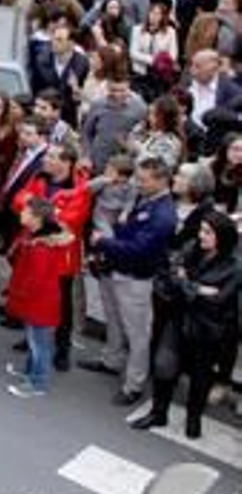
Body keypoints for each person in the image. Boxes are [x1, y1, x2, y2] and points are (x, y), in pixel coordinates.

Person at [133, 210, 239, 438]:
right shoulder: (192, 248)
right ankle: (158, 413)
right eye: (201, 230)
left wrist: (186, 283)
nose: (201, 236)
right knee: (163, 365)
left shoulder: (235, 267)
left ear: (222, 236)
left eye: (207, 232)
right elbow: (172, 276)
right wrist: (197, 288)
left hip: (208, 330)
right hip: (179, 319)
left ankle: (193, 418)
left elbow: (218, 301)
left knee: (200, 379)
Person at [82, 157, 178, 405]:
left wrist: (103, 242)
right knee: (113, 319)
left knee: (138, 334)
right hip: (117, 269)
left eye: (144, 180)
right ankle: (111, 359)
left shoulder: (163, 215)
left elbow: (139, 249)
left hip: (136, 278)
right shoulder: (146, 199)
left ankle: (134, 384)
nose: (138, 183)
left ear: (161, 180)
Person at [3, 198, 75, 398]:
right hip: (40, 300)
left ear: (37, 218)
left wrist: (18, 294)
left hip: (40, 301)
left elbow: (35, 279)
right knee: (34, 339)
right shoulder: (37, 237)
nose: (21, 214)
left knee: (39, 344)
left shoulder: (41, 247)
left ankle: (37, 383)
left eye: (25, 212)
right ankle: (29, 371)